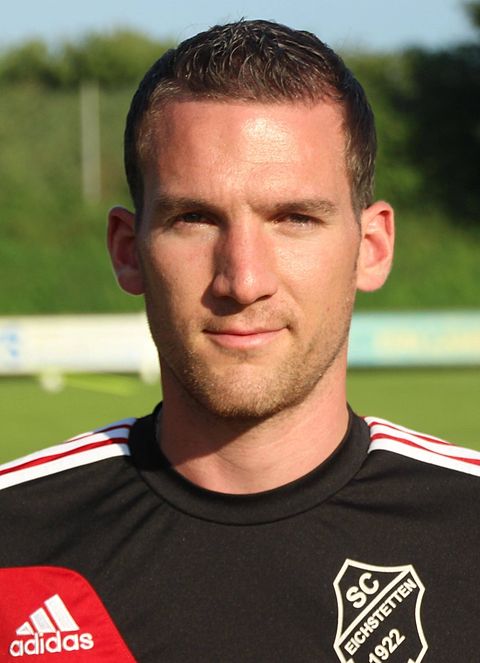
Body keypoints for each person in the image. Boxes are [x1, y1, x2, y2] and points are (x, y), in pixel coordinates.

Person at [0, 19, 478, 662]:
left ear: (372, 247)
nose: (244, 280)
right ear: (127, 251)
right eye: (194, 219)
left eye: (295, 218)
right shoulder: (16, 537)